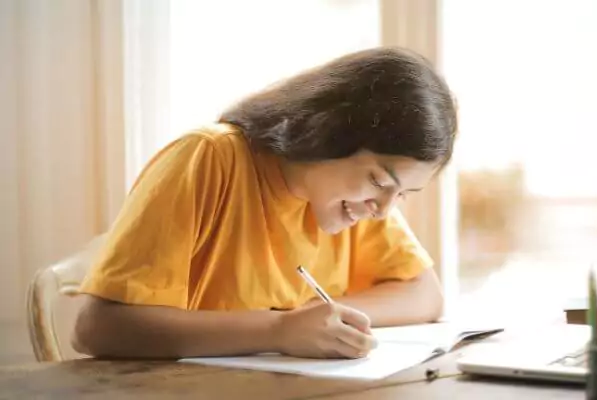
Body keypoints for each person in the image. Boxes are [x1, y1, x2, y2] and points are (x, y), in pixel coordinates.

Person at [71, 47, 458, 361]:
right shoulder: (209, 159)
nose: (384, 209)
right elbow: (97, 327)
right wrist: (280, 330)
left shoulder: (356, 201)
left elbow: (425, 295)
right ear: (328, 132)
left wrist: (318, 320)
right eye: (378, 181)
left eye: (403, 194)